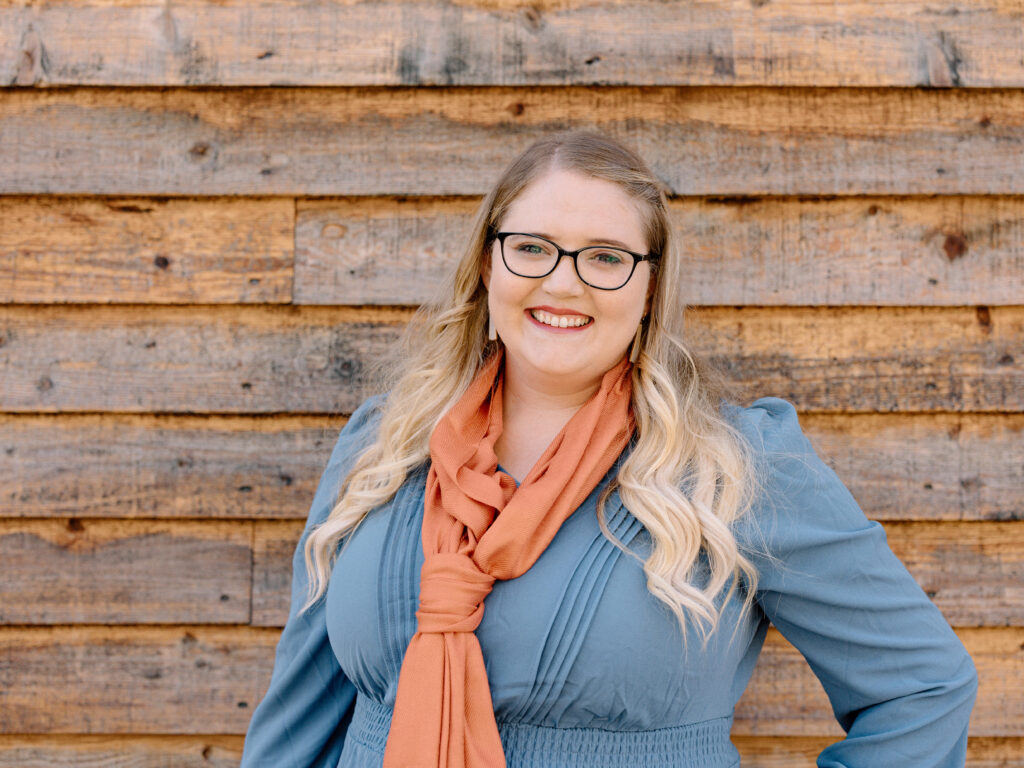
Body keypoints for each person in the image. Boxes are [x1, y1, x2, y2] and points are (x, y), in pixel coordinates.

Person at [239, 131, 978, 768]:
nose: (563, 283)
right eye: (531, 248)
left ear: (650, 288)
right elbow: (297, 724)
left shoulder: (738, 465)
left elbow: (922, 687)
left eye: (605, 258)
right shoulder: (385, 443)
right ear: (488, 266)